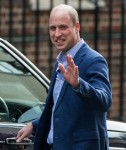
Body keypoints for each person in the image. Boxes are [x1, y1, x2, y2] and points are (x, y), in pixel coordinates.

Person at [16, 4, 112, 150]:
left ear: (77, 27)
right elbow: (59, 108)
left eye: (63, 27)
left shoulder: (93, 60)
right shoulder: (60, 61)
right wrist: (34, 125)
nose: (57, 34)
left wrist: (78, 85)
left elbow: (104, 101)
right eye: (52, 28)